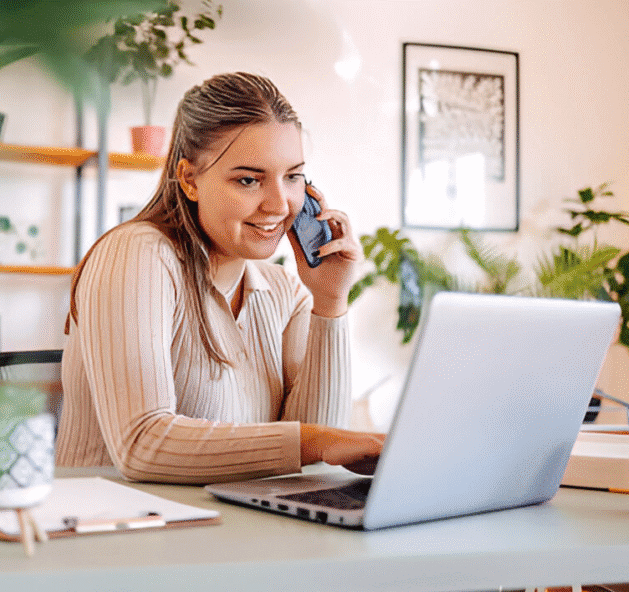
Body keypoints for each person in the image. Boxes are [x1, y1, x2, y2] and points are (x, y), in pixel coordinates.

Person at [55, 72, 384, 484]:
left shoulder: (284, 290)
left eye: (293, 176)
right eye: (249, 179)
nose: (280, 204)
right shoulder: (137, 253)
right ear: (190, 180)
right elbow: (142, 444)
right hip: (112, 533)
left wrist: (331, 304)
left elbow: (316, 461)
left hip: (229, 532)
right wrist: (314, 441)